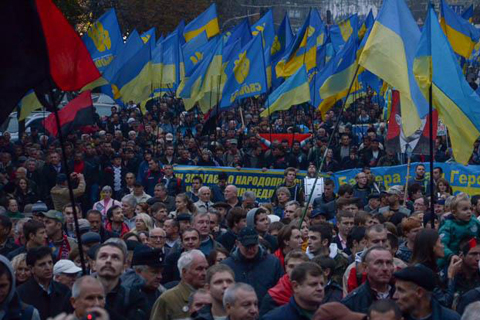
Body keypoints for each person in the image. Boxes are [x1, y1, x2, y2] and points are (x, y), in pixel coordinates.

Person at [222, 227, 284, 300]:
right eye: (247, 246)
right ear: (237, 243)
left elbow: (280, 290)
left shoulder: (273, 263)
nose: (251, 250)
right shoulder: (227, 266)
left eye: (253, 245)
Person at [94, 242, 148, 320]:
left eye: (115, 257)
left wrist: (103, 307)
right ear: (94, 264)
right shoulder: (78, 294)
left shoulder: (135, 298)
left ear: (124, 266)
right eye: (103, 256)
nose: (108, 261)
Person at [151, 249, 208, 320]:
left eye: (206, 268)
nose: (204, 273)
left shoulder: (211, 296)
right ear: (184, 272)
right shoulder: (168, 299)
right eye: (199, 269)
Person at [17, 246, 70, 320]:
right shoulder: (21, 293)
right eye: (42, 264)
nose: (48, 268)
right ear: (31, 269)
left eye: (50, 262)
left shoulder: (64, 290)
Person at [393, 266, 460, 320]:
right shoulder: (393, 317)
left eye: (401, 290)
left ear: (419, 292)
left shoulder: (450, 318)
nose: (394, 296)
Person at [342, 246, 396, 313]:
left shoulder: (402, 297)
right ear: (365, 267)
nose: (385, 268)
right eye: (379, 263)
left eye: (388, 263)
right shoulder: (352, 302)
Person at [260, 250, 309, 316]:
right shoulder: (272, 297)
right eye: (291, 266)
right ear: (286, 268)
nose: (295, 270)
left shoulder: (316, 291)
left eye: (300, 267)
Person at [439, 195, 480, 267]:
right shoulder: (448, 226)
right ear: (454, 212)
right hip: (453, 261)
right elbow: (441, 244)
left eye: (470, 209)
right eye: (465, 209)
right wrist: (450, 255)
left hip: (472, 260)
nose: (469, 212)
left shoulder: (475, 222)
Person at [131, 245, 166, 316]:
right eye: (154, 272)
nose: (160, 277)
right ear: (138, 271)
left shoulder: (163, 295)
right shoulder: (125, 296)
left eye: (161, 272)